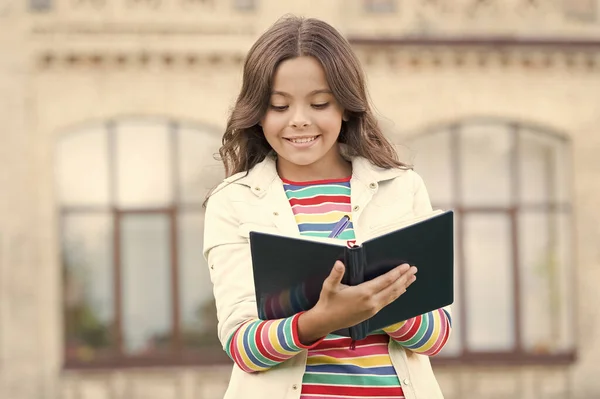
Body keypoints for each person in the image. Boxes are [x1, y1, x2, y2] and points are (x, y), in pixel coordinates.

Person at [203, 15, 452, 399]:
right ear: (257, 111)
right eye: (279, 106)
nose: (299, 120)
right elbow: (242, 344)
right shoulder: (232, 201)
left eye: (319, 103)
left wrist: (375, 306)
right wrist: (320, 320)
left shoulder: (402, 188)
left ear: (346, 107)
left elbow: (437, 335)